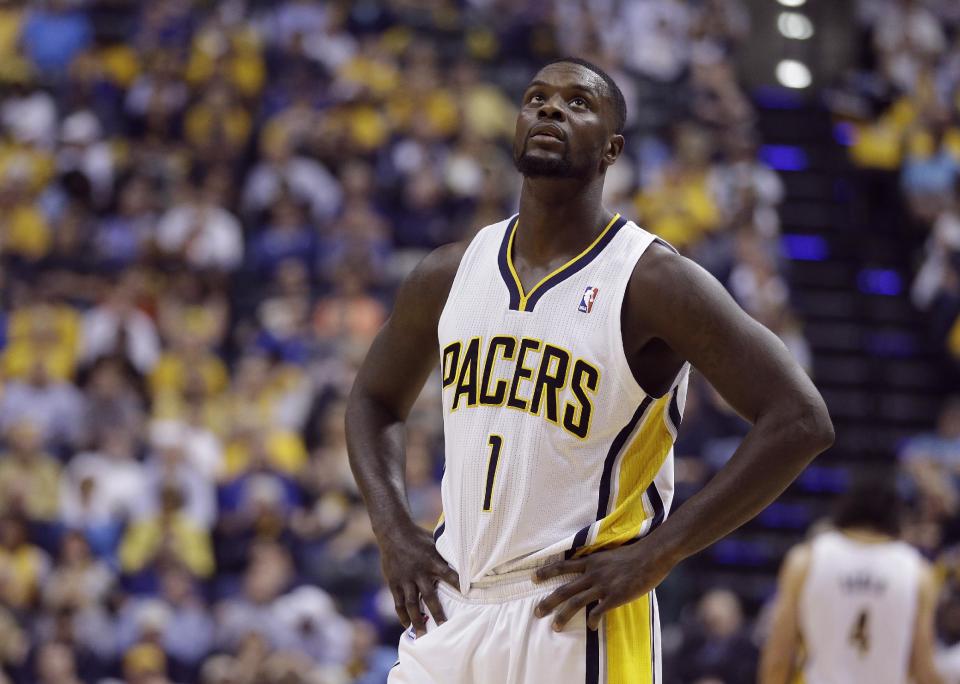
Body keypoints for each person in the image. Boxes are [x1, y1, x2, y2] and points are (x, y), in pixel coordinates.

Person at [346, 57, 834, 684]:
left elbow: (800, 418)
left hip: (575, 613)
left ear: (612, 149)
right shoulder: (450, 271)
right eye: (536, 97)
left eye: (578, 103)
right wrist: (393, 531)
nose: (550, 109)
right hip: (450, 608)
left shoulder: (652, 280)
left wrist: (661, 553)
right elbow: (372, 401)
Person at [759, 475, 943, 684]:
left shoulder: (805, 561)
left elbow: (778, 658)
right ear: (897, 518)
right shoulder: (919, 573)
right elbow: (924, 669)